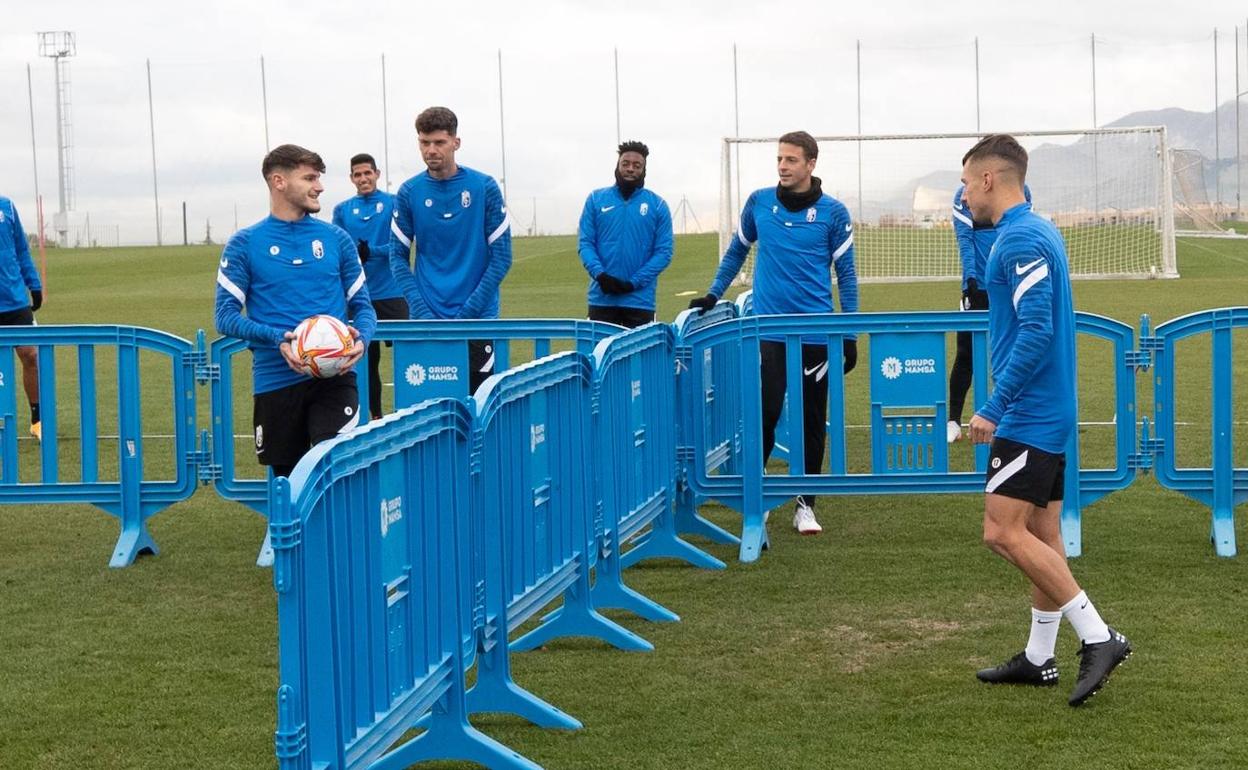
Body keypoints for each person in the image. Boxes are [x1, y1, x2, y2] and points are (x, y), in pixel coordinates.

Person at [961, 134, 1130, 707]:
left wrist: (992, 404)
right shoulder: (1035, 229)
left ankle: (1100, 636)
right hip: (1045, 408)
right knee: (1041, 533)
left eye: (965, 183)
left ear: (988, 179)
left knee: (1000, 532)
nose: (964, 195)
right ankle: (1038, 658)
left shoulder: (1019, 240)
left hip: (1028, 412)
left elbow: (1036, 330)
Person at [688, 131, 858, 535]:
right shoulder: (759, 202)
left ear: (811, 164)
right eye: (780, 159)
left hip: (815, 334)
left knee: (812, 419)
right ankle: (760, 497)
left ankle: (805, 505)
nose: (782, 166)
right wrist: (715, 292)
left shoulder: (833, 213)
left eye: (791, 160)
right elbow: (737, 250)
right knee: (764, 414)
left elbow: (847, 277)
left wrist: (849, 334)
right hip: (769, 330)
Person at [215, 144, 376, 478]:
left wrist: (364, 339)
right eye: (310, 178)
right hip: (275, 382)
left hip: (336, 378)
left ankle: (336, 532)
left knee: (332, 473)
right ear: (279, 181)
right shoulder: (245, 243)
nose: (319, 187)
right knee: (289, 486)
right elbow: (225, 316)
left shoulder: (337, 239)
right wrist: (278, 339)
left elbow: (363, 308)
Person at [389, 106, 512, 393]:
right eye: (424, 142)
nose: (431, 150)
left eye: (439, 142)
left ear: (456, 142)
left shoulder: (484, 187)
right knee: (428, 410)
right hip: (427, 321)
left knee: (479, 408)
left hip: (477, 320)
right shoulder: (409, 191)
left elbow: (502, 257)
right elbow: (397, 257)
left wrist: (468, 313)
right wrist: (422, 311)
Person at [947, 181, 1031, 443]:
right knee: (966, 355)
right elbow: (965, 240)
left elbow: (1018, 233)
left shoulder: (1019, 191)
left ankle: (1010, 418)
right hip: (976, 290)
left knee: (1012, 352)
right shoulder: (963, 195)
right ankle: (953, 421)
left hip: (1006, 286)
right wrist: (972, 280)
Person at [332, 153, 407, 419]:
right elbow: (339, 248)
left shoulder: (393, 203)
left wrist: (371, 250)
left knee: (406, 355)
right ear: (351, 178)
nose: (363, 178)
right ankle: (373, 415)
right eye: (357, 174)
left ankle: (408, 411)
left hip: (393, 293)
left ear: (377, 173)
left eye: (367, 173)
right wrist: (355, 253)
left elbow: (402, 244)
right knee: (364, 358)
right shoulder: (342, 210)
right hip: (359, 296)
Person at [578, 141, 673, 327]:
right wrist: (601, 276)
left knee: (640, 356)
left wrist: (633, 283)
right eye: (625, 164)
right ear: (617, 166)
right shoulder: (596, 199)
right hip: (601, 299)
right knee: (600, 355)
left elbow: (664, 252)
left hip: (640, 302)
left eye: (637, 166)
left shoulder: (658, 205)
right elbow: (586, 244)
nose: (630, 169)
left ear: (644, 170)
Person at [0, 195, 43, 441]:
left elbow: (21, 249)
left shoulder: (7, 207)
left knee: (31, 354)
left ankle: (37, 418)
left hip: (15, 299)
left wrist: (33, 284)